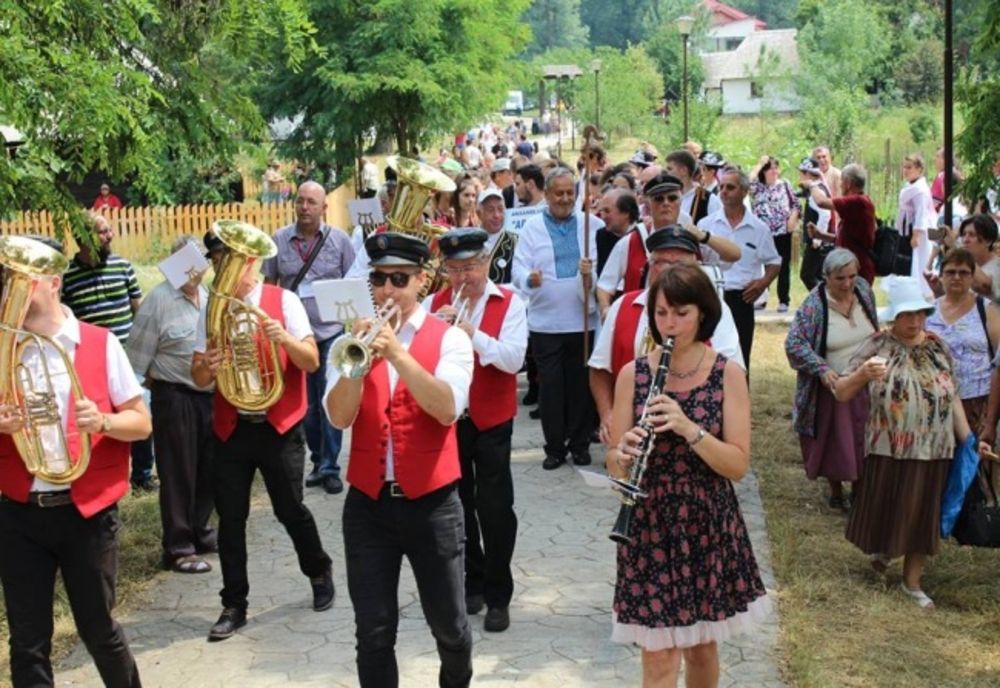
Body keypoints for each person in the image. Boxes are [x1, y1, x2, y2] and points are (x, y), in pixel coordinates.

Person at [0, 235, 152, 688]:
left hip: (87, 512)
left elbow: (141, 424)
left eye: (18, 275)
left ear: (51, 280)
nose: (8, 285)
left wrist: (102, 420)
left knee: (98, 630)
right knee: (27, 641)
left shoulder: (99, 343)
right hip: (18, 511)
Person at [607, 263, 769, 687]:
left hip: (706, 523)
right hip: (649, 525)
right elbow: (613, 462)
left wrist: (688, 428)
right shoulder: (634, 374)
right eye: (661, 313)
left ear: (702, 314)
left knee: (700, 648)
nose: (670, 324)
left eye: (681, 313)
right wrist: (621, 455)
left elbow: (737, 464)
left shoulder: (727, 374)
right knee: (659, 658)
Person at [325, 232, 475, 688]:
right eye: (379, 279)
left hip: (432, 505)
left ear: (421, 282)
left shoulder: (449, 339)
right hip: (368, 506)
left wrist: (398, 355)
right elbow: (338, 417)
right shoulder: (353, 341)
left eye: (398, 279)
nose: (388, 290)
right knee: (372, 632)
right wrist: (358, 367)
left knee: (448, 627)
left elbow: (447, 407)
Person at [191, 232, 334, 641]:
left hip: (279, 426)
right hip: (232, 426)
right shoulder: (212, 309)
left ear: (251, 262)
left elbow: (310, 361)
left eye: (230, 260)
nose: (222, 269)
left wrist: (282, 338)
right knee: (231, 521)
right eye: (219, 261)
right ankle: (234, 603)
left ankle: (318, 570)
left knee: (290, 510)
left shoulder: (283, 302)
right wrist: (210, 366)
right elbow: (198, 375)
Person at [834, 276, 971, 609]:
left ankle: (912, 582)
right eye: (907, 315)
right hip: (889, 447)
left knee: (923, 511)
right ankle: (886, 550)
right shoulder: (877, 345)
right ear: (894, 317)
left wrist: (968, 441)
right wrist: (863, 375)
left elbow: (952, 395)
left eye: (920, 314)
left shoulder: (938, 346)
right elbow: (842, 391)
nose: (914, 322)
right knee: (890, 506)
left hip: (935, 448)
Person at [426, 228, 527, 633]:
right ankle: (474, 581)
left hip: (492, 420)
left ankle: (499, 594)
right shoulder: (435, 303)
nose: (462, 276)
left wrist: (472, 335)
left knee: (496, 509)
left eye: (469, 266)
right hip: (451, 419)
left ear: (486, 263)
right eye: (453, 268)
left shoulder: (510, 302)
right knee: (458, 506)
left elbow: (514, 360)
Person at [590, 225, 745, 445]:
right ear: (649, 265)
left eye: (680, 264)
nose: (668, 271)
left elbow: (732, 375)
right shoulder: (623, 306)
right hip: (633, 437)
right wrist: (608, 415)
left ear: (697, 268)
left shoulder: (714, 309)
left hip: (695, 434)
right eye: (661, 262)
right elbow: (599, 369)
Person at [126, 236, 217, 573]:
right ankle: (178, 548)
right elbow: (136, 362)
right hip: (174, 396)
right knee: (177, 473)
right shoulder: (158, 301)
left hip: (209, 397)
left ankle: (201, 531)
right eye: (184, 258)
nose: (193, 266)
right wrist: (161, 388)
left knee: (208, 469)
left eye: (197, 258)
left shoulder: (208, 298)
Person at [262, 181, 355, 495]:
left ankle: (330, 467)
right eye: (300, 201)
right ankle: (317, 460)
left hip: (330, 332)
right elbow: (270, 285)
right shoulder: (278, 241)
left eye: (311, 202)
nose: (304, 207)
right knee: (308, 406)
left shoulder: (340, 241)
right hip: (295, 337)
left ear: (323, 208)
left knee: (329, 401)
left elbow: (354, 283)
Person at [512, 167, 602, 469]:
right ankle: (553, 447)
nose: (565, 199)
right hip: (546, 323)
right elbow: (517, 271)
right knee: (551, 389)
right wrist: (529, 279)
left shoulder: (591, 225)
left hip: (582, 323)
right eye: (558, 193)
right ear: (547, 195)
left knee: (579, 387)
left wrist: (591, 275)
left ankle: (579, 444)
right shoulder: (532, 228)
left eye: (569, 193)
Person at [61, 212, 154, 492]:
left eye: (109, 230)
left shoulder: (123, 267)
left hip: (129, 358)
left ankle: (142, 476)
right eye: (102, 232)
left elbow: (140, 311)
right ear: (84, 238)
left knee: (140, 414)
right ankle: (99, 474)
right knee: (96, 422)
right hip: (92, 365)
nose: (109, 235)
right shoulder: (68, 277)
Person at [785, 249, 879, 511]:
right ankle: (836, 491)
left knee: (866, 437)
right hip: (834, 386)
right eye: (840, 278)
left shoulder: (863, 291)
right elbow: (794, 344)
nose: (847, 283)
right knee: (837, 441)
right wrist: (822, 368)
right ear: (825, 277)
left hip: (867, 381)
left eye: (852, 276)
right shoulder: (814, 305)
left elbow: (874, 328)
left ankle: (861, 491)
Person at [699, 167, 781, 372]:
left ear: (744, 192)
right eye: (721, 187)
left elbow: (774, 261)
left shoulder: (758, 228)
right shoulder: (706, 225)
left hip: (741, 299)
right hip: (711, 297)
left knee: (740, 356)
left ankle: (739, 400)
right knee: (708, 353)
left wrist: (763, 283)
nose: (724, 191)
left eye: (730, 187)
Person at [925, 249, 999, 435]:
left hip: (977, 402)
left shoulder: (987, 310)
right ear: (941, 276)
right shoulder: (927, 311)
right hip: (935, 400)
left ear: (972, 277)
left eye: (963, 272)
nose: (956, 277)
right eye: (950, 272)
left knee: (973, 461)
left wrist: (990, 423)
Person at [807, 164, 877, 285]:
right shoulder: (858, 203)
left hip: (856, 272)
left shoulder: (857, 201)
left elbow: (821, 202)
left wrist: (812, 185)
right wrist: (820, 235)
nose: (840, 185)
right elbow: (845, 239)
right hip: (850, 270)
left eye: (841, 181)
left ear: (848, 183)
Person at [750, 156, 799, 313]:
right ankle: (761, 298)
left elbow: (796, 204)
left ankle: (783, 300)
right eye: (770, 168)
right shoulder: (758, 187)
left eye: (776, 168)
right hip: (763, 233)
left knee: (783, 266)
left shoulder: (784, 185)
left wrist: (792, 219)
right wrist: (760, 163)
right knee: (762, 266)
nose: (774, 172)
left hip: (782, 232)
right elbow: (749, 181)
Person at [897, 153, 937, 297]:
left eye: (910, 167)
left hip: (921, 231)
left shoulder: (920, 190)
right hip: (909, 227)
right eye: (905, 167)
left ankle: (923, 291)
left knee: (920, 260)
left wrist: (916, 235)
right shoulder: (910, 186)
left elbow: (921, 214)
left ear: (919, 169)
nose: (906, 170)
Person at [796, 157, 833, 292]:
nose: (800, 176)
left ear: (808, 174)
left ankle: (824, 301)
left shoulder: (816, 191)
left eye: (802, 172)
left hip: (818, 242)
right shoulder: (818, 187)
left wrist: (818, 238)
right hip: (822, 241)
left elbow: (825, 215)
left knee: (807, 275)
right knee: (818, 275)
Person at [665, 150, 721, 225]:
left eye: (670, 169)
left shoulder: (708, 200)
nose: (666, 173)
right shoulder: (665, 198)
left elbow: (716, 229)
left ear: (683, 171)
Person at [476, 188, 518, 284]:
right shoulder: (469, 241)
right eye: (490, 210)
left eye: (500, 209)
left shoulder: (516, 242)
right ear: (479, 214)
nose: (497, 215)